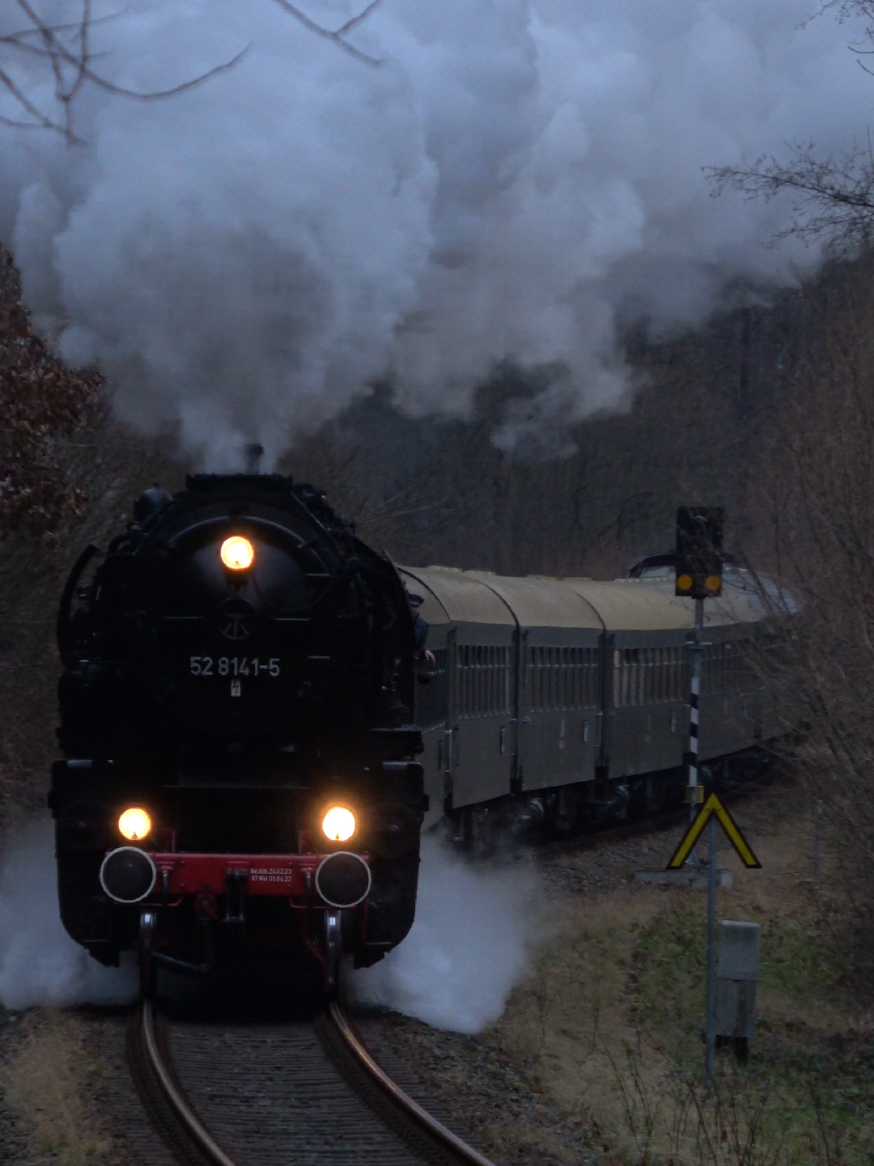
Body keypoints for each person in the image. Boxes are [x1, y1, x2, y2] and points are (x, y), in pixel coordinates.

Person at [407, 592, 435, 665]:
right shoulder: (397, 622)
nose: (412, 609)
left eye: (415, 607)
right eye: (411, 606)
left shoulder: (423, 626)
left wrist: (422, 652)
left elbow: (419, 646)